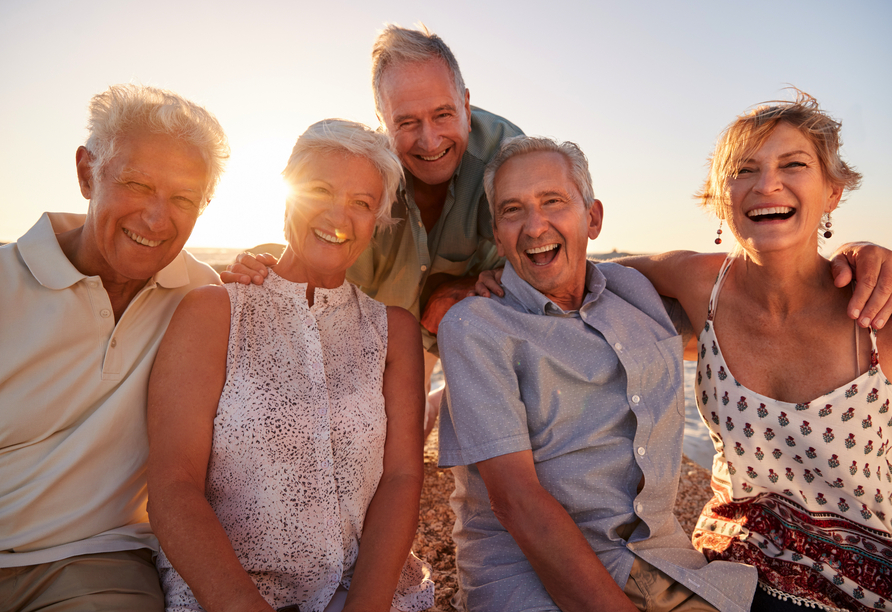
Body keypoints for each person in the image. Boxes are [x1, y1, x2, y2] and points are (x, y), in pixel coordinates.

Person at [437, 135, 758, 612]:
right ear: (497, 233)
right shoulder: (477, 327)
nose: (534, 226)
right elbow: (516, 502)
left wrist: (856, 254)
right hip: (530, 575)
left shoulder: (634, 292)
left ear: (593, 218)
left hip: (658, 558)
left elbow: (756, 295)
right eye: (512, 210)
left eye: (553, 201)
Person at [610, 92, 890, 611]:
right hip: (729, 567)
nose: (767, 185)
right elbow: (584, 276)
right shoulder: (701, 283)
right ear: (721, 198)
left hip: (863, 585)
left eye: (794, 164)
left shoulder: (874, 312)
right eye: (743, 170)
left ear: (833, 191)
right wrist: (495, 280)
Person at [147, 119, 434, 612]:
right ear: (287, 195)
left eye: (362, 203)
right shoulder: (215, 313)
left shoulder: (393, 333)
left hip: (362, 591)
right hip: (226, 595)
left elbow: (402, 478)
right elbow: (173, 486)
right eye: (319, 190)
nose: (338, 215)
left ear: (377, 222)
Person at [224, 24, 524, 434]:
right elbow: (318, 241)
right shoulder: (367, 174)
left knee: (451, 393)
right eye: (407, 122)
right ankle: (429, 403)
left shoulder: (506, 156)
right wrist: (260, 268)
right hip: (385, 308)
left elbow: (543, 251)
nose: (429, 140)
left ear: (467, 105)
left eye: (443, 114)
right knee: (393, 423)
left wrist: (490, 280)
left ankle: (446, 397)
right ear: (383, 121)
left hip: (465, 308)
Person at [0, 84, 228, 610]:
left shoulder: (204, 297)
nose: (156, 218)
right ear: (87, 174)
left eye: (183, 198)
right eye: (136, 184)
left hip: (96, 560)